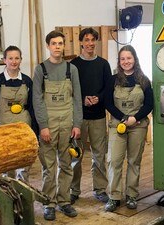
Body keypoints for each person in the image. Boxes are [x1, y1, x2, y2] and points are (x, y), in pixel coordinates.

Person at [33, 30, 83, 221]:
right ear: (48, 46)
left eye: (60, 43)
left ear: (64, 46)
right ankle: (49, 203)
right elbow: (37, 99)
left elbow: (77, 98)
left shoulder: (72, 69)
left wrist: (77, 124)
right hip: (49, 122)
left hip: (67, 122)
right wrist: (43, 126)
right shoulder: (40, 69)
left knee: (66, 164)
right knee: (48, 167)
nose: (57, 47)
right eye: (53, 43)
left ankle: (64, 202)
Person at [104, 45, 153, 212]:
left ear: (135, 59)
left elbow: (149, 104)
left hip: (138, 126)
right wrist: (124, 118)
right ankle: (113, 197)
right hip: (118, 124)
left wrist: (135, 118)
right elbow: (107, 102)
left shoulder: (144, 80)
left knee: (134, 161)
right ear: (119, 61)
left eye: (129, 58)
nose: (126, 62)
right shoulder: (113, 80)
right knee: (114, 160)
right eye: (122, 59)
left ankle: (131, 195)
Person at [0, 45, 37, 181]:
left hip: (24, 127)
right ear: (4, 60)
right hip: (5, 129)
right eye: (10, 58)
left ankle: (23, 196)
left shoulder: (27, 80)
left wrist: (35, 128)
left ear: (21, 60)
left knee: (24, 165)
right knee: (8, 166)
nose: (14, 61)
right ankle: (10, 197)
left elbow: (33, 106)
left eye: (17, 58)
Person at [70, 27, 112, 204]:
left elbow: (108, 88)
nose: (90, 43)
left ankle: (100, 189)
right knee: (75, 155)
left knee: (99, 155)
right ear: (81, 42)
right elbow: (69, 91)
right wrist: (82, 100)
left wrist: (98, 98)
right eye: (86, 40)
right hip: (78, 119)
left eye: (92, 40)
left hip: (98, 117)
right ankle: (73, 190)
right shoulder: (73, 65)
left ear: (96, 42)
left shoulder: (103, 64)